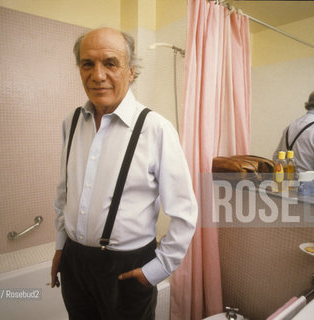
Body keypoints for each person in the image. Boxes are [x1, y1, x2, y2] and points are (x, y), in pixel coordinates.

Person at [50, 27, 198, 320]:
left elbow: (185, 212)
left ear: (131, 72)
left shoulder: (156, 128)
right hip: (75, 262)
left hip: (127, 268)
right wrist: (60, 248)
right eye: (87, 64)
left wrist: (157, 269)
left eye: (110, 63)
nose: (98, 74)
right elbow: (64, 193)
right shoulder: (72, 122)